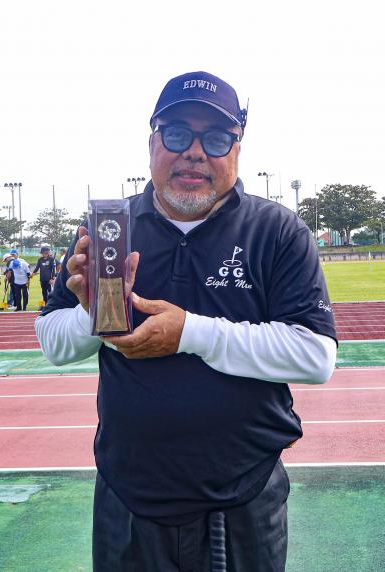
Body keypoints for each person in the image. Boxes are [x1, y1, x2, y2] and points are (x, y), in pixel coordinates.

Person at [36, 71, 337, 572]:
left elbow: (315, 355)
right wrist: (92, 314)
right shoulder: (108, 228)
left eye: (216, 138)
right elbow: (53, 343)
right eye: (177, 133)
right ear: (152, 143)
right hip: (128, 494)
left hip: (242, 495)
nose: (194, 152)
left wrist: (188, 334)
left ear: (237, 149)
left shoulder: (276, 229)